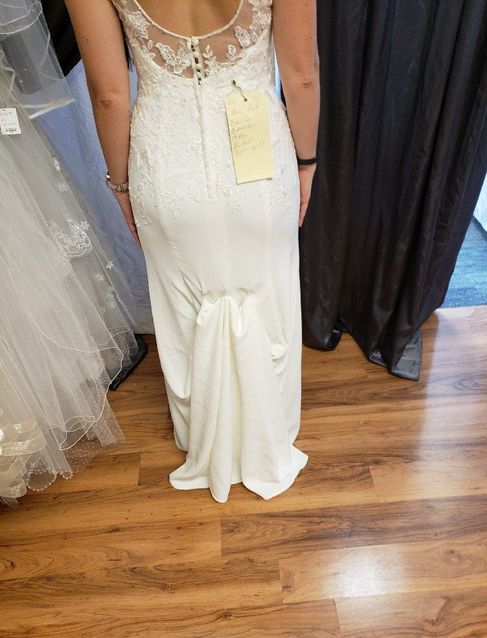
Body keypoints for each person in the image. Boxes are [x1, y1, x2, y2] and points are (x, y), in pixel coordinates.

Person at [65, 0, 321, 503]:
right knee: (267, 290)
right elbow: (302, 75)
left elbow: (110, 95)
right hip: (260, 156)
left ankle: (203, 434)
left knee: (184, 305)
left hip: (165, 162)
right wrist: (307, 163)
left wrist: (121, 185)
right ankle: (269, 429)